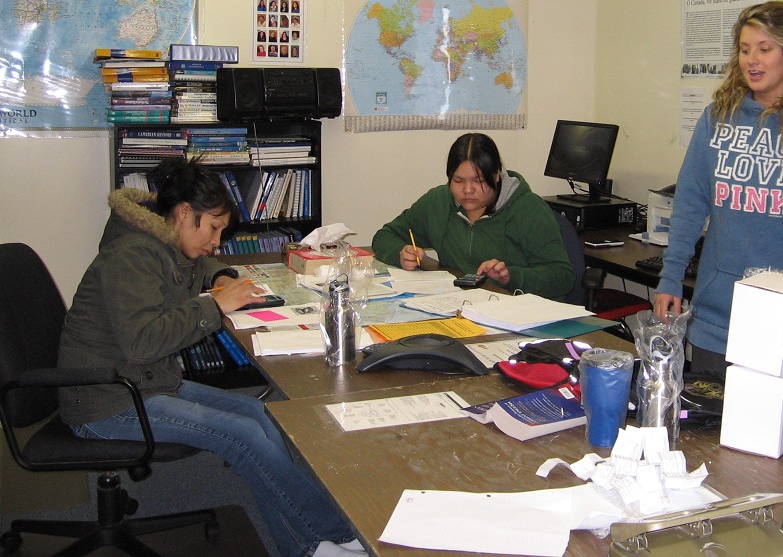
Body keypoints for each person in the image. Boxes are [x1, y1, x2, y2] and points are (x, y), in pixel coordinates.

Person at [57, 158, 362, 557]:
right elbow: (143, 342)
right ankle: (334, 535)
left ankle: (307, 546)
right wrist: (216, 306)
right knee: (243, 435)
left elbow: (197, 263)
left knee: (260, 416)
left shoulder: (160, 238)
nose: (217, 240)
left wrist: (220, 276)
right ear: (185, 213)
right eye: (214, 227)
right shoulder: (131, 254)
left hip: (143, 382)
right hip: (105, 400)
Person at [653, 1, 783, 378]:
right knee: (705, 430)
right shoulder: (718, 118)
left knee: (766, 434)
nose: (753, 60)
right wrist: (671, 276)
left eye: (765, 49)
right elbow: (690, 200)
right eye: (745, 49)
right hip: (716, 313)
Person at [372, 133, 574, 300]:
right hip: (462, 307)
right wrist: (399, 253)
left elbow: (562, 276)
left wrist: (510, 276)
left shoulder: (528, 209)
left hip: (517, 313)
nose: (467, 190)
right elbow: (385, 236)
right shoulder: (438, 202)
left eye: (478, 181)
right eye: (458, 181)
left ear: (496, 175)